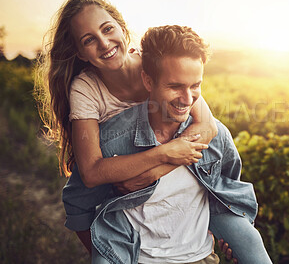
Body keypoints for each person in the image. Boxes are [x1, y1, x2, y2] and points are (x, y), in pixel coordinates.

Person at [64, 24, 272, 263]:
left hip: (199, 258)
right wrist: (106, 255)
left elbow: (227, 187)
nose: (187, 99)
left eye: (195, 86)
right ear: (148, 81)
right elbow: (78, 204)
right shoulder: (112, 141)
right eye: (175, 86)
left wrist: (230, 231)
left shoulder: (214, 136)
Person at [34, 0, 219, 253]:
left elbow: (208, 126)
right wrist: (165, 152)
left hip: (167, 184)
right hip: (127, 199)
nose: (104, 43)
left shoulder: (154, 63)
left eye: (108, 29)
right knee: (78, 202)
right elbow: (91, 172)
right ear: (80, 52)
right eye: (89, 40)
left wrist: (153, 172)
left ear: (122, 28)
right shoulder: (85, 89)